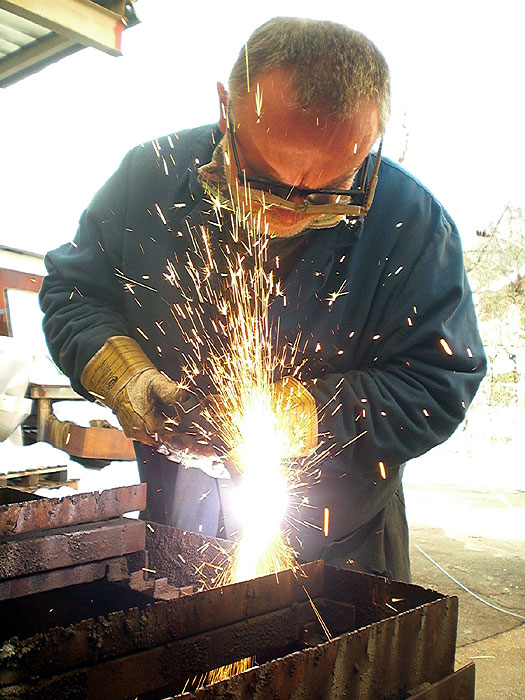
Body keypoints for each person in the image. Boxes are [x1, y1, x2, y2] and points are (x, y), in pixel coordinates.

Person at [40, 17, 486, 582]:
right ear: (225, 107)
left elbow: (438, 382)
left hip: (339, 548)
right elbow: (74, 293)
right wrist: (121, 371)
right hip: (176, 523)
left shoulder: (411, 226)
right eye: (262, 179)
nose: (287, 212)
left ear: (370, 144)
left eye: (327, 190)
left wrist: (304, 415)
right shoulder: (148, 180)